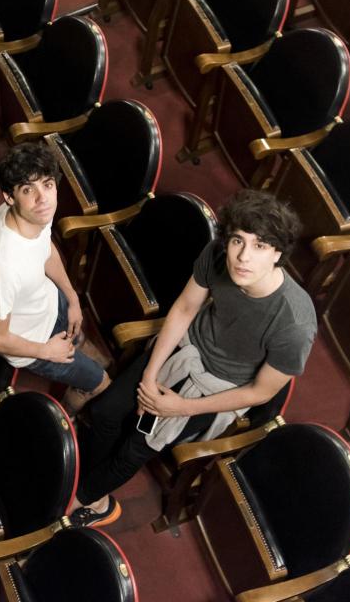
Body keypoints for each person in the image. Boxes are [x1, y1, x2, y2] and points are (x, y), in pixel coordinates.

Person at [69, 189, 316, 527]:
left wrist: (178, 407)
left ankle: (78, 501)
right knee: (105, 411)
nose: (243, 257)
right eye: (238, 241)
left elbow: (260, 392)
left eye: (259, 246)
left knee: (136, 446)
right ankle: (93, 492)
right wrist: (150, 377)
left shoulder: (295, 322)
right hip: (183, 351)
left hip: (214, 388)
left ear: (277, 254)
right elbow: (185, 309)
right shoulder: (217, 254)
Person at [0, 143, 111, 415]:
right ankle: (72, 409)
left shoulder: (33, 215)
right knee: (102, 383)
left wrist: (71, 298)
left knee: (78, 337)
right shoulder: (2, 266)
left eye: (47, 184)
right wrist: (47, 352)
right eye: (27, 189)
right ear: (9, 197)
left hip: (44, 301)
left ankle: (78, 351)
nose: (42, 198)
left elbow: (45, 250)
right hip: (31, 340)